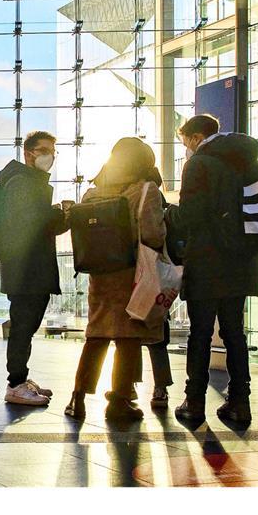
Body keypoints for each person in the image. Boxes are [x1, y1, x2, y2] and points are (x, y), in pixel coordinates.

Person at [166, 115, 258, 426]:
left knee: (201, 333)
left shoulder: (199, 164)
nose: (185, 148)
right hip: (242, 261)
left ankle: (194, 401)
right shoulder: (250, 163)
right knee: (234, 332)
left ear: (196, 137)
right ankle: (240, 402)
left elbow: (190, 216)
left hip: (207, 261)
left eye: (185, 142)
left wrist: (169, 213)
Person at [64, 137, 165, 421]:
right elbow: (152, 234)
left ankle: (78, 398)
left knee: (96, 335)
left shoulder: (91, 194)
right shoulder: (145, 191)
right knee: (128, 337)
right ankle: (119, 401)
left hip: (99, 274)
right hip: (132, 274)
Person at [0, 131, 72, 406]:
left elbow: (41, 226)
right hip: (26, 268)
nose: (49, 156)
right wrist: (55, 213)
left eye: (53, 150)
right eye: (43, 150)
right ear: (28, 153)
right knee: (22, 326)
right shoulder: (20, 183)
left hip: (30, 266)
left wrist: (61, 217)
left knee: (26, 326)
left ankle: (20, 379)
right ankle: (15, 384)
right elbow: (27, 224)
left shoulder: (30, 182)